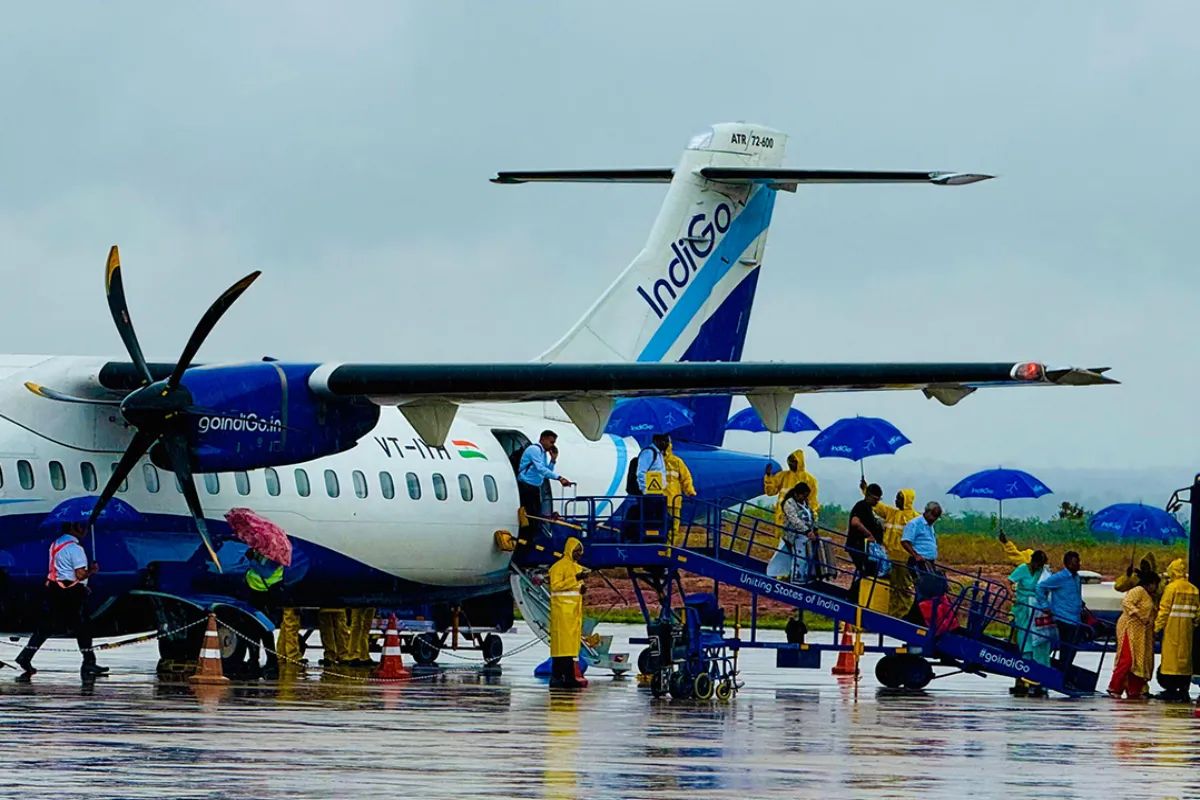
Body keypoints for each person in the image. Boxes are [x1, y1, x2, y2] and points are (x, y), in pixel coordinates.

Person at [15, 523, 108, 679]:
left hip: (55, 588)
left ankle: (26, 655)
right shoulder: (75, 548)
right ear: (73, 528)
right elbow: (79, 575)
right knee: (83, 626)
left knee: (47, 626)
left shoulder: (56, 544)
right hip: (71, 592)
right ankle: (88, 661)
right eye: (81, 526)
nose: (84, 530)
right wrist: (92, 571)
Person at [865, 482, 919, 617]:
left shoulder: (915, 518)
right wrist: (865, 489)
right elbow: (877, 506)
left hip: (904, 558)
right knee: (894, 588)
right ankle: (893, 613)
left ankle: (902, 614)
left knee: (904, 588)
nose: (896, 500)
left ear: (907, 500)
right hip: (890, 557)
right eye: (896, 498)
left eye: (899, 498)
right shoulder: (891, 513)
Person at [1108, 568, 1159, 699]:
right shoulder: (1138, 591)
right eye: (1155, 584)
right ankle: (1115, 687)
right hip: (1130, 628)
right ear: (1150, 583)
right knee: (1128, 659)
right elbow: (1127, 603)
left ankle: (1134, 689)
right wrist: (1140, 614)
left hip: (1142, 632)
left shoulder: (1150, 596)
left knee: (1140, 661)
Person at [1008, 550, 1054, 697]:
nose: (1038, 567)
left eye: (1041, 565)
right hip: (1023, 608)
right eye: (1037, 564)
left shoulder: (1044, 573)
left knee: (1040, 639)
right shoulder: (1022, 569)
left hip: (1038, 608)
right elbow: (1008, 582)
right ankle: (1024, 675)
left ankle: (1040, 676)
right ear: (1032, 561)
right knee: (1025, 638)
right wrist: (1012, 596)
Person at [1154, 559, 1200, 702]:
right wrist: (1192, 625)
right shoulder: (1194, 589)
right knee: (1184, 662)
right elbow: (1197, 614)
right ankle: (1184, 690)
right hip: (1187, 632)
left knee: (1170, 663)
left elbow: (1164, 610)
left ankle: (1171, 690)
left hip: (1171, 630)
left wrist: (1156, 627)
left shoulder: (1171, 588)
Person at [517, 431, 574, 542]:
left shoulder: (542, 453)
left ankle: (530, 538)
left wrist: (553, 460)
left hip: (534, 487)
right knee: (530, 515)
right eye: (551, 442)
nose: (552, 445)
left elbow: (546, 471)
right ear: (543, 439)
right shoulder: (535, 450)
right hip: (526, 485)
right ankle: (525, 539)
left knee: (535, 514)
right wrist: (559, 478)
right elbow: (541, 469)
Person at [548, 537, 587, 689]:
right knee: (561, 647)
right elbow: (556, 586)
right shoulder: (558, 567)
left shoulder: (577, 567)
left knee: (570, 647)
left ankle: (567, 677)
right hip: (562, 612)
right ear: (570, 550)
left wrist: (581, 588)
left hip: (574, 613)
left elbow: (576, 587)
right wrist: (575, 579)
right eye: (577, 551)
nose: (579, 554)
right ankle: (558, 677)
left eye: (581, 552)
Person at [1037, 551, 1085, 671]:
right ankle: (1063, 669)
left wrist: (1081, 604)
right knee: (1067, 644)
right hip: (1063, 617)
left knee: (1073, 645)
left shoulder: (1077, 577)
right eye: (1076, 562)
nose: (1079, 564)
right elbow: (1040, 587)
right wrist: (1044, 606)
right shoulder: (1060, 577)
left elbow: (1075, 594)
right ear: (1068, 564)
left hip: (1075, 618)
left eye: (1079, 562)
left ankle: (1065, 668)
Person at [900, 502, 944, 625]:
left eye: (937, 517)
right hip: (918, 562)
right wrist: (916, 555)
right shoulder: (915, 524)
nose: (934, 519)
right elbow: (905, 541)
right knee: (922, 590)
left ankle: (918, 618)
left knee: (929, 591)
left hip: (928, 563)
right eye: (934, 515)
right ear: (927, 512)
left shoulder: (930, 526)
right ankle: (912, 619)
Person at [244, 548, 284, 678]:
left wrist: (253, 561)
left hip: (268, 595)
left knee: (265, 630)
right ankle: (253, 660)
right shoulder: (259, 552)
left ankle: (272, 662)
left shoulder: (276, 554)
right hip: (254, 593)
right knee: (251, 629)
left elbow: (265, 572)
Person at [766, 483, 817, 583]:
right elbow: (794, 519)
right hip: (794, 535)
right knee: (799, 557)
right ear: (797, 494)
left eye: (806, 496)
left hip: (805, 536)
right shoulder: (789, 504)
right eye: (803, 495)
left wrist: (815, 528)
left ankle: (804, 578)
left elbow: (811, 515)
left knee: (807, 558)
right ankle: (796, 580)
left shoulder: (805, 503)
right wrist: (806, 531)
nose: (805, 498)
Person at [764, 449, 820, 526]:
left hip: (800, 515)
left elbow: (812, 499)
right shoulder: (782, 476)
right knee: (781, 536)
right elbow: (771, 492)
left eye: (793, 461)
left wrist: (813, 514)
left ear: (799, 462)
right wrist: (768, 476)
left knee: (799, 535)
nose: (790, 464)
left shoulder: (809, 479)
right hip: (782, 515)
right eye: (789, 461)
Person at [847, 483, 885, 579]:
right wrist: (869, 535)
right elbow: (855, 522)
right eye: (875, 499)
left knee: (867, 572)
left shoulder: (870, 508)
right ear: (868, 495)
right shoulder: (861, 506)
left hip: (865, 548)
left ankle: (856, 591)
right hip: (858, 545)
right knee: (865, 572)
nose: (877, 502)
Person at [663, 441, 696, 545]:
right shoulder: (676, 462)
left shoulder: (675, 462)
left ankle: (668, 551)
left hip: (663, 501)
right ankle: (668, 551)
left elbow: (686, 478)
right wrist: (690, 492)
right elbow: (686, 478)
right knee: (670, 528)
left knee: (669, 528)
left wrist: (690, 491)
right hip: (671, 501)